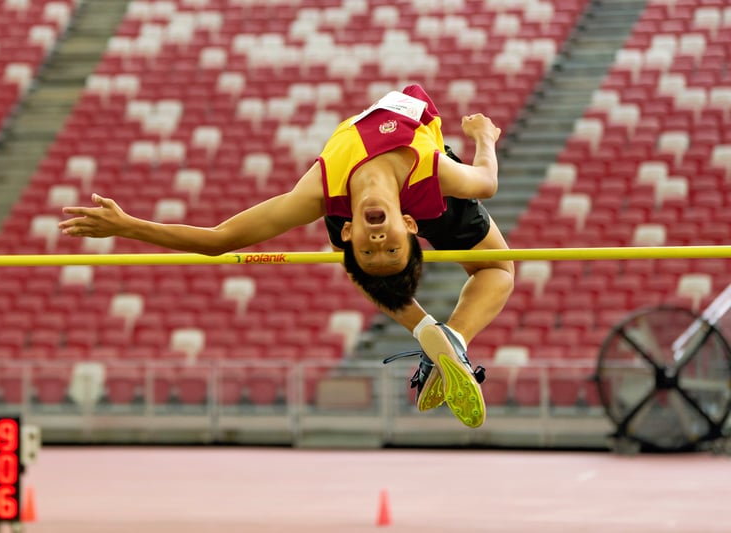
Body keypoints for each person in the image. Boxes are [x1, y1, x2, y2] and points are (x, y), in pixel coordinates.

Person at [59, 84, 514, 428]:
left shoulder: (318, 193)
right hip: (418, 183)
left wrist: (129, 225)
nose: (378, 240)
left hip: (372, 192)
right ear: (407, 229)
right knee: (497, 268)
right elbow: (487, 180)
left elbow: (218, 239)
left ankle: (436, 336)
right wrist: (484, 139)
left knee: (484, 269)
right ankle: (446, 338)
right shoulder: (433, 170)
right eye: (388, 247)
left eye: (374, 247)